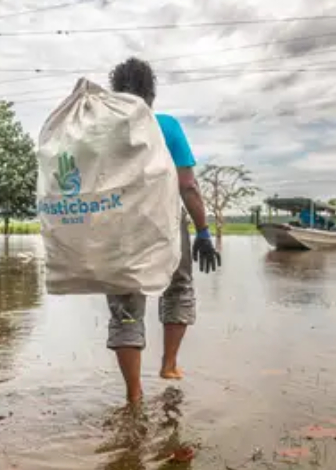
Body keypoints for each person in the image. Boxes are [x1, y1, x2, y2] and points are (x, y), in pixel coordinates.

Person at [106, 57, 221, 405]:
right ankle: (169, 364)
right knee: (178, 289)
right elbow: (188, 186)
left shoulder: (103, 132)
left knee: (125, 307)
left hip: (118, 228)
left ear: (116, 93)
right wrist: (203, 232)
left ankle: (134, 393)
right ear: (151, 93)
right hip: (165, 226)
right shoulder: (167, 127)